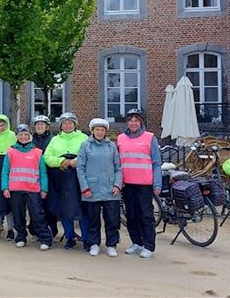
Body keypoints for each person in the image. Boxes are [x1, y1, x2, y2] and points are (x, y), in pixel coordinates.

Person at [117, 109, 162, 258]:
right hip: (127, 184)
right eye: (131, 120)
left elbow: (156, 162)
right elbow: (118, 162)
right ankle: (136, 242)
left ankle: (149, 245)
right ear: (127, 123)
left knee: (146, 215)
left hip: (144, 184)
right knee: (131, 215)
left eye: (136, 120)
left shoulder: (150, 138)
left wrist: (157, 183)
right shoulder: (121, 138)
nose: (133, 123)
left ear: (141, 122)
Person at [76, 118, 122, 257]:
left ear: (105, 132)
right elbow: (80, 168)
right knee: (93, 219)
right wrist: (84, 187)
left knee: (112, 219)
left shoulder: (111, 146)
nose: (100, 132)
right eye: (97, 130)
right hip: (92, 188)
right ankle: (94, 243)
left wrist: (117, 185)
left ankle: (111, 244)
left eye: (102, 130)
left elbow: (118, 168)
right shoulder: (85, 146)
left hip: (110, 188)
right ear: (92, 131)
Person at [2, 124, 52, 250]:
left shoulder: (37, 152)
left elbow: (43, 173)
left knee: (37, 215)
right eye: (21, 135)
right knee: (18, 215)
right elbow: (5, 171)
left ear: (30, 137)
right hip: (16, 189)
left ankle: (45, 238)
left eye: (26, 135)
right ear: (17, 137)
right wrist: (5, 187)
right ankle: (21, 237)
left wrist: (44, 189)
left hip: (33, 189)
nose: (23, 137)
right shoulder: (11, 151)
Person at [43, 112, 88, 250]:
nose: (68, 125)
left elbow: (90, 154)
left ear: (75, 124)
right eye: (65, 123)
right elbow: (47, 157)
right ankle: (70, 236)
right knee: (64, 209)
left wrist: (76, 161)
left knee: (83, 209)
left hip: (78, 177)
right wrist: (61, 161)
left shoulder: (84, 138)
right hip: (60, 178)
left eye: (70, 123)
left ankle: (86, 238)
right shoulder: (55, 140)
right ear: (61, 125)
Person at [31, 115, 58, 237]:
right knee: (35, 205)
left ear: (47, 127)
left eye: (42, 125)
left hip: (50, 175)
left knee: (49, 205)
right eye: (37, 125)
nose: (39, 127)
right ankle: (35, 229)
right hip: (33, 177)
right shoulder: (31, 140)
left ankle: (52, 229)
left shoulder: (53, 140)